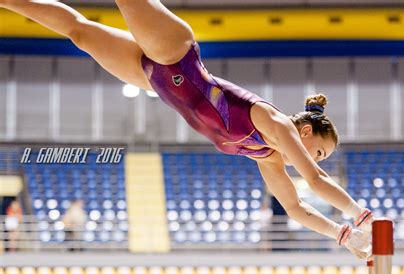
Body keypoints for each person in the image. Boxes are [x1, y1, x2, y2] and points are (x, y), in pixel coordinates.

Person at [0, 0, 374, 259]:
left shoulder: (268, 157)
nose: (316, 159)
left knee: (78, 32)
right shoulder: (277, 125)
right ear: (306, 134)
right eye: (320, 150)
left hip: (153, 79)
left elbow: (295, 207)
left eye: (321, 157)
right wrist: (361, 215)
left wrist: (340, 235)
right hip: (176, 55)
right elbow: (316, 178)